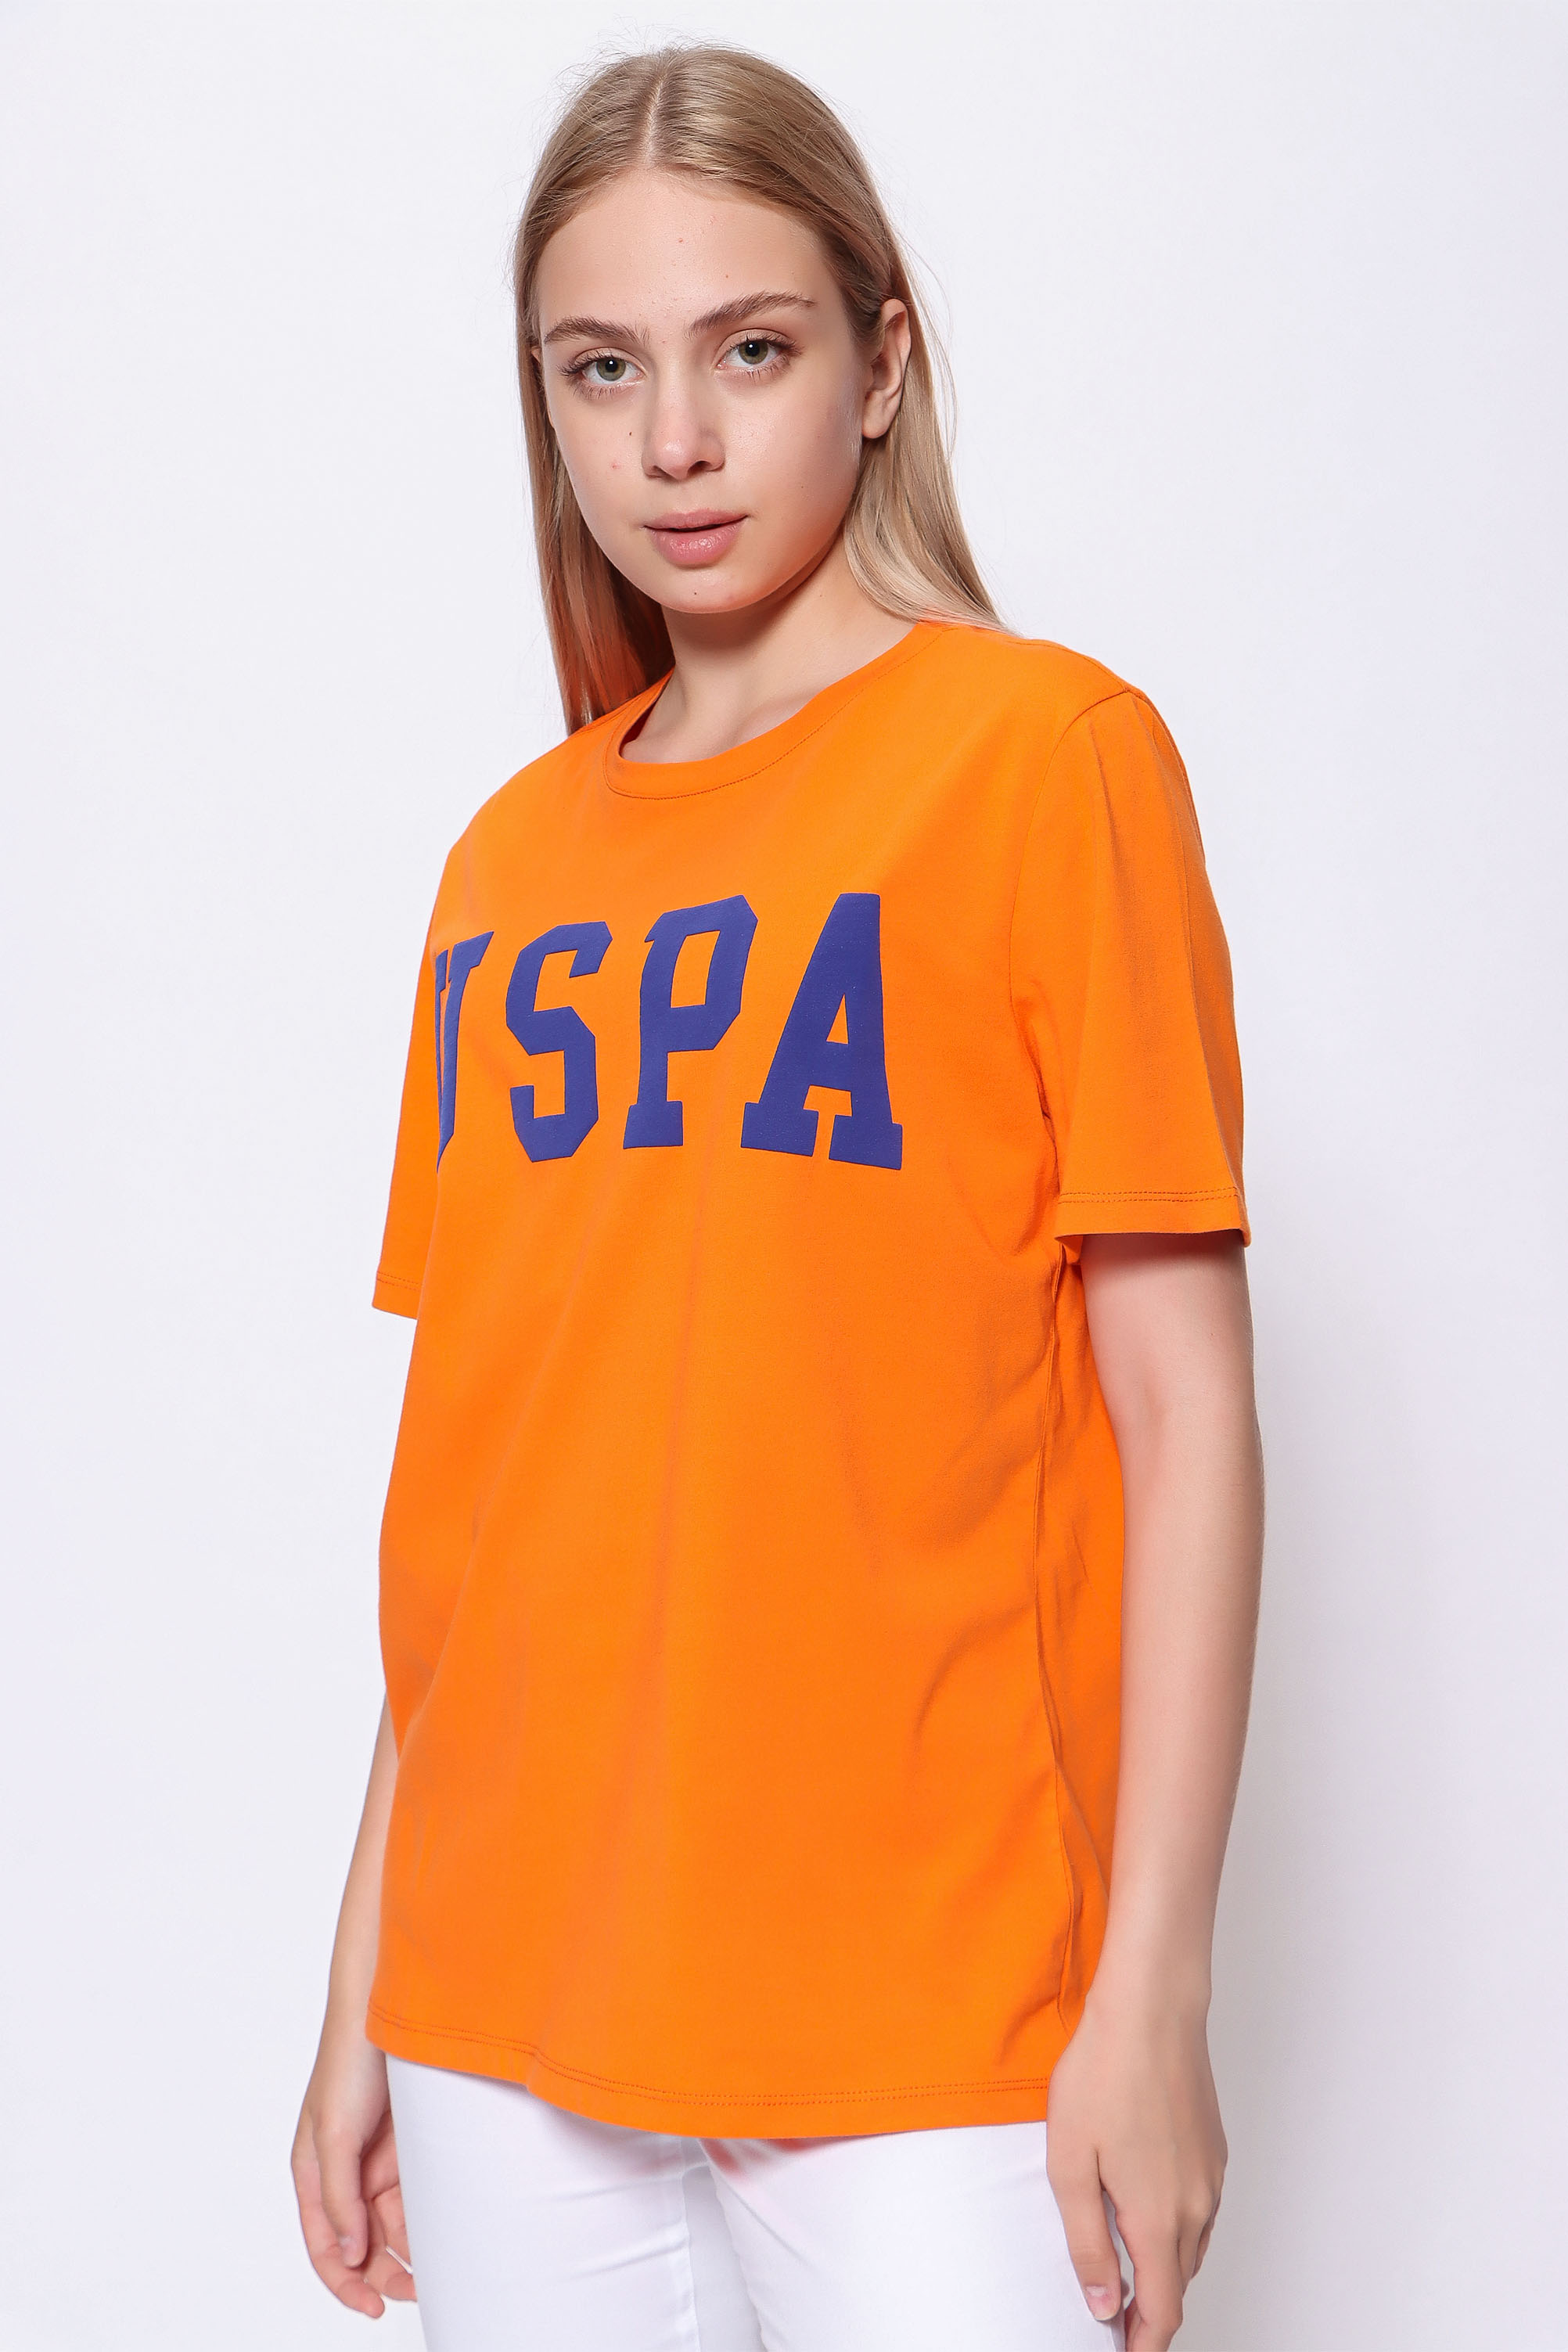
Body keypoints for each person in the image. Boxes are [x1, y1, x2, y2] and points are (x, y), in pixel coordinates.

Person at [290, 41, 1264, 2352]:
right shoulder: (508, 863)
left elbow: (1188, 1419)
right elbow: (486, 1491)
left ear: (879, 362)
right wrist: (363, 1981)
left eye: (749, 350)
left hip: (930, 2005)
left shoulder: (1043, 761)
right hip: (505, 2004)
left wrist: (1151, 1992)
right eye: (599, 369)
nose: (675, 442)